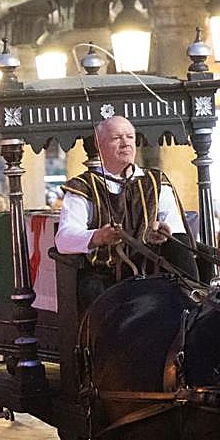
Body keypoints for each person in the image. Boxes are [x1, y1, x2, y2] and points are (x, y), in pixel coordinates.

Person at [54, 114, 194, 308]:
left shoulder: (156, 181)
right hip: (107, 276)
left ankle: (195, 303)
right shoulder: (83, 186)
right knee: (92, 292)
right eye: (116, 138)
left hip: (154, 271)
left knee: (198, 255)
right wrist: (98, 236)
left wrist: (162, 231)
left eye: (130, 137)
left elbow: (175, 230)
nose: (125, 143)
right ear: (99, 145)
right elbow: (64, 239)